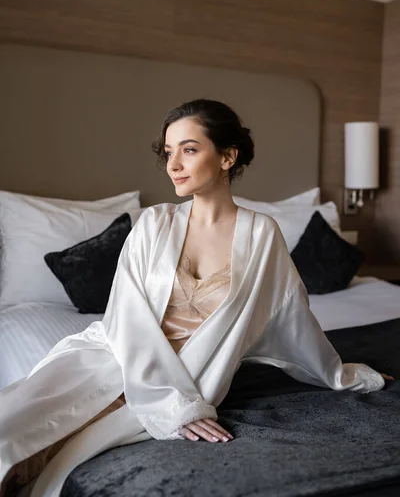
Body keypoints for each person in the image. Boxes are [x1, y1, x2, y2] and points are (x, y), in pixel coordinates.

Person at [0, 99, 393, 497]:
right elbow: (126, 321)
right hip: (111, 359)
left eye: (188, 150)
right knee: (12, 436)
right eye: (168, 153)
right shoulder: (153, 224)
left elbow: (290, 316)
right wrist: (176, 407)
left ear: (227, 157)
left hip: (193, 375)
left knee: (61, 457)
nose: (173, 165)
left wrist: (341, 375)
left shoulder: (261, 235)